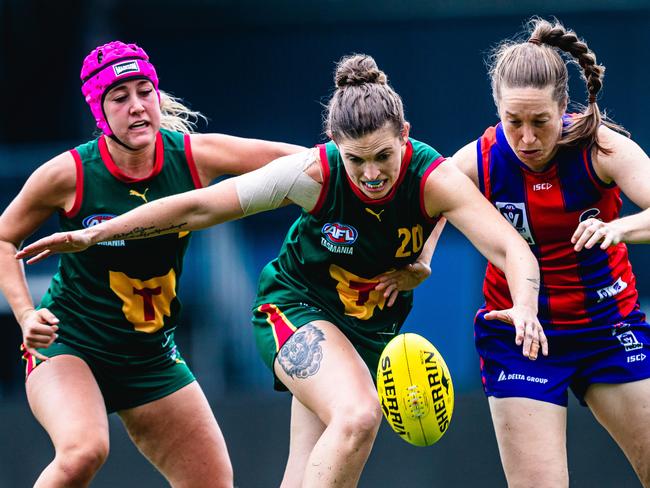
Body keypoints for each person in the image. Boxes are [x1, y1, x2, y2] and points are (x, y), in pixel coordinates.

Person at [17, 53, 547, 488]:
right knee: (359, 413)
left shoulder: (433, 177)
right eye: (354, 159)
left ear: (406, 136)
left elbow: (510, 246)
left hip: (360, 330)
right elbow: (198, 207)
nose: (370, 175)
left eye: (383, 157)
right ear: (336, 148)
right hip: (292, 309)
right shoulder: (313, 172)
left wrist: (523, 305)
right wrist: (95, 233)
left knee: (302, 469)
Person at [0, 40, 305, 487]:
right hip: (70, 347)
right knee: (84, 450)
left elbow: (301, 162)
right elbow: (5, 236)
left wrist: (374, 165)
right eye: (120, 98)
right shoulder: (68, 174)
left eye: (145, 91)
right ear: (99, 112)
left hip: (151, 356)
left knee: (215, 482)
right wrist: (26, 315)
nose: (138, 107)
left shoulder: (194, 155)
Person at [447, 18, 650, 487]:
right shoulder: (477, 159)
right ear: (496, 108)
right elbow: (430, 204)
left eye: (540, 122)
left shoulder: (600, 148)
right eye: (512, 122)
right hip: (522, 337)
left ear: (563, 106)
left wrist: (620, 227)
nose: (527, 139)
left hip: (608, 326)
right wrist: (419, 260)